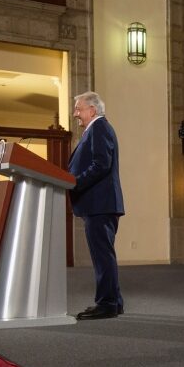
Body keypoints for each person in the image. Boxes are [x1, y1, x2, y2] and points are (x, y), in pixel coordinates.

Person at [69, 91, 125, 320]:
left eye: (79, 109)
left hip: (100, 204)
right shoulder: (94, 129)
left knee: (102, 256)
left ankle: (107, 303)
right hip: (99, 204)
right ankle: (114, 301)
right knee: (104, 255)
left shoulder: (100, 127)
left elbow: (102, 164)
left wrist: (75, 182)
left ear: (92, 110)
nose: (76, 114)